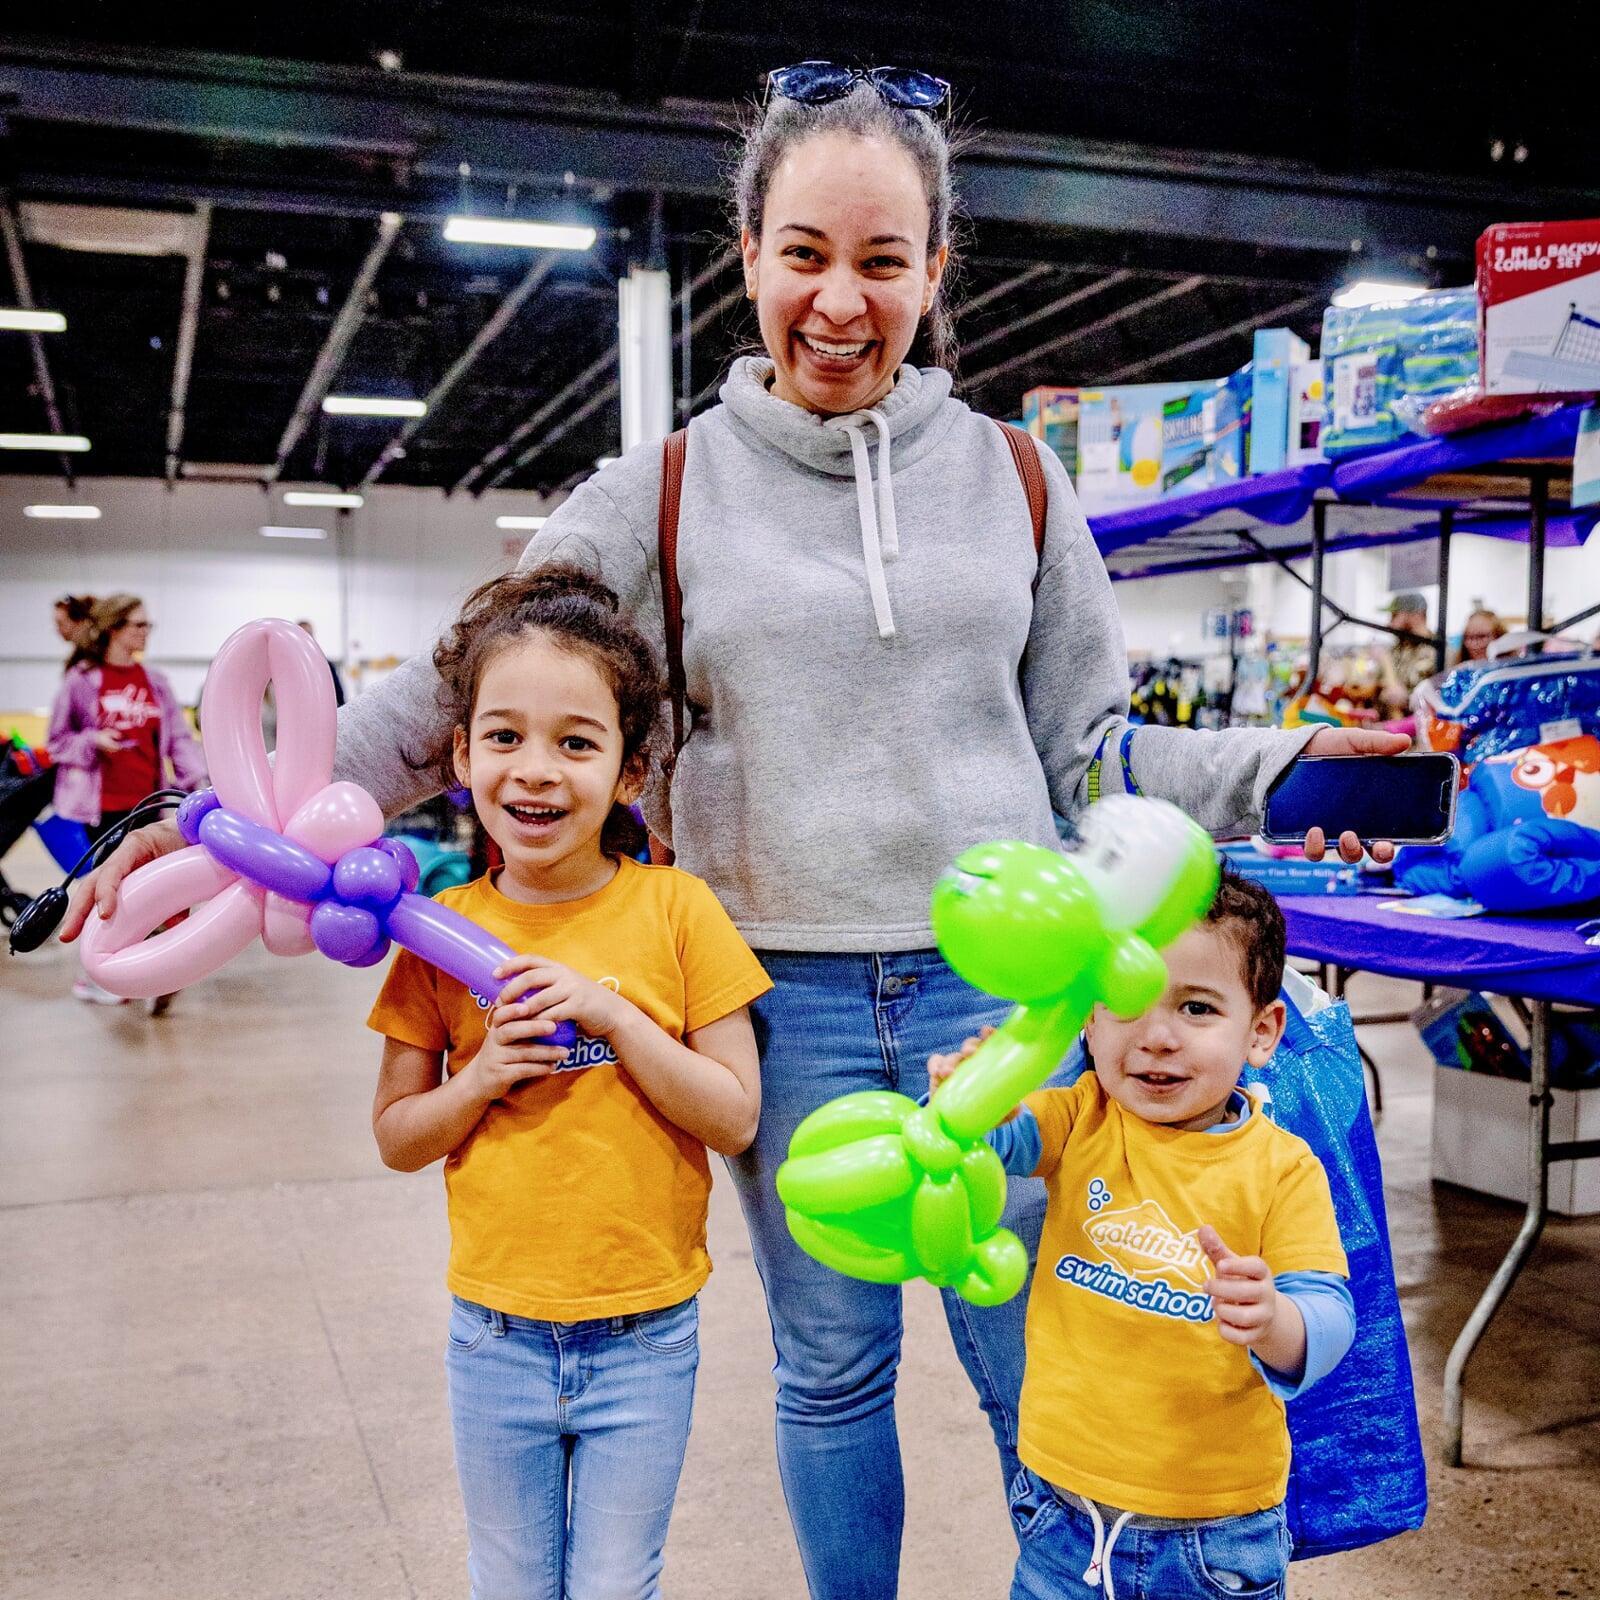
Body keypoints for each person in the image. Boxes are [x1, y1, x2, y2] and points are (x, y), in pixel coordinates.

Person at [65, 66, 1403, 1598]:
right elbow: (467, 692)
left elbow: (1093, 758)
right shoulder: (662, 489)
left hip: (1013, 1013)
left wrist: (1292, 766)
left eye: (883, 262)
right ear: (750, 252)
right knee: (831, 1376)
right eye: (807, 254)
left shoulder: (1023, 484)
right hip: (780, 995)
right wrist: (223, 816)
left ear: (934, 272)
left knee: (1035, 1350)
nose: (842, 301)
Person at [366, 566, 769, 1600]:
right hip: (493, 1334)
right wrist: (483, 1078)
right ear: (460, 756)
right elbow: (399, 1136)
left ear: (632, 773)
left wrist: (616, 1015)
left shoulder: (679, 913)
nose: (534, 771)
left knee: (612, 1585)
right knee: (507, 1581)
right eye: (502, 736)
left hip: (645, 1336)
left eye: (575, 742)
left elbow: (732, 1115)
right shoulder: (436, 935)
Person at [928, 873, 1353, 1600]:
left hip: (1214, 1539)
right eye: (1126, 1005)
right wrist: (968, 1096)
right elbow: (989, 1142)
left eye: (1196, 1007)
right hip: (1061, 1515)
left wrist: (1274, 1319)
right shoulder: (1082, 1115)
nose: (1157, 1036)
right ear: (1088, 1021)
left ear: (1261, 1032)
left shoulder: (1282, 1169)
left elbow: (1332, 1319)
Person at [48, 593, 205, 1004]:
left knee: (154, 886)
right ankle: (99, 974)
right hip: (101, 806)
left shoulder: (155, 682)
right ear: (115, 629)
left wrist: (199, 783)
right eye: (139, 624)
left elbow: (180, 741)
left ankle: (150, 969)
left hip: (148, 801)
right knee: (111, 887)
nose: (145, 632)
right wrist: (93, 740)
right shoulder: (82, 680)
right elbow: (58, 742)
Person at [1379, 591, 1437, 712]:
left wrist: (1386, 663)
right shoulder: (1400, 648)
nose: (1389, 623)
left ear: (1416, 615)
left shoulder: (1434, 650)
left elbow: (1401, 698)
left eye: (1394, 616)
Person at [296, 617, 346, 706]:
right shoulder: (289, 666)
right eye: (302, 635)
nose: (306, 638)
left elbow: (338, 693)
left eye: (309, 634)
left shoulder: (325, 665)